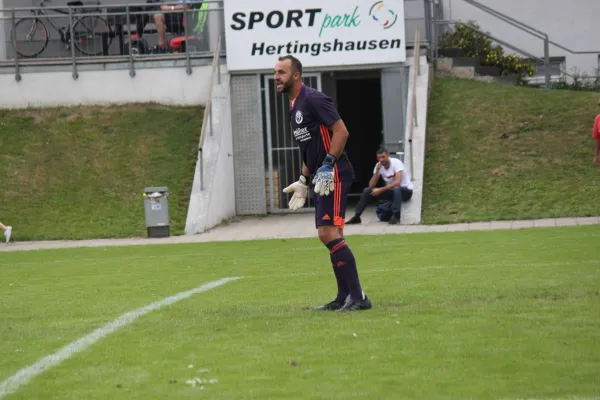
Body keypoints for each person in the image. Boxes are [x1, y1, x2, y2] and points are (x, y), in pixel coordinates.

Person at [276, 55, 372, 312]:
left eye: (282, 72)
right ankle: (343, 297)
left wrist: (329, 163)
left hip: (335, 173)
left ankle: (359, 297)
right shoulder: (294, 106)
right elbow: (310, 149)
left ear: (296, 75)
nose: (277, 76)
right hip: (320, 176)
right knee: (333, 234)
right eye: (275, 72)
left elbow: (341, 131)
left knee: (327, 233)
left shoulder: (313, 99)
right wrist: (302, 179)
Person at [346, 148, 414, 225]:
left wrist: (381, 190)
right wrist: (377, 171)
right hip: (393, 192)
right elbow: (371, 185)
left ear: (388, 155)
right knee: (367, 190)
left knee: (396, 188)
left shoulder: (396, 163)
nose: (381, 160)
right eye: (379, 158)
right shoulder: (378, 166)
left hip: (405, 192)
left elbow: (398, 183)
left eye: (383, 157)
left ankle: (396, 215)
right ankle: (357, 216)